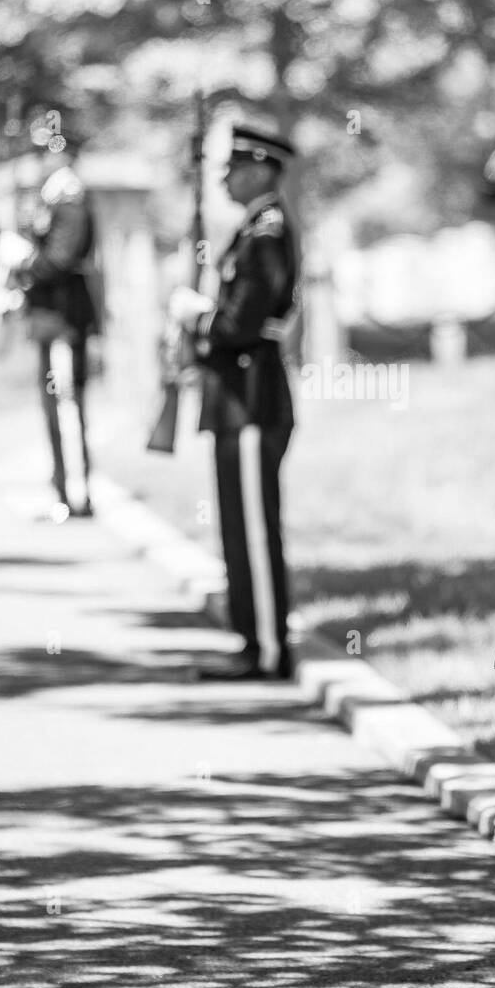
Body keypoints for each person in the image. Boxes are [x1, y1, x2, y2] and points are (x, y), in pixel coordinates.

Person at [170, 124, 298, 681]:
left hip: (251, 398)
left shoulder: (266, 232)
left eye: (233, 168)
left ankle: (268, 646)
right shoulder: (252, 230)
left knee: (253, 526)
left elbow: (241, 323)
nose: (224, 177)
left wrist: (193, 315)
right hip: (236, 398)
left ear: (261, 169)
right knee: (236, 523)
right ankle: (252, 640)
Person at [6, 138, 98, 521]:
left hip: (63, 318)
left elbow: (61, 258)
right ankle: (63, 489)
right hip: (49, 318)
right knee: (53, 406)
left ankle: (75, 492)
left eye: (45, 154)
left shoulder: (69, 198)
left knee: (66, 404)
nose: (39, 162)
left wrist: (24, 261)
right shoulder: (49, 197)